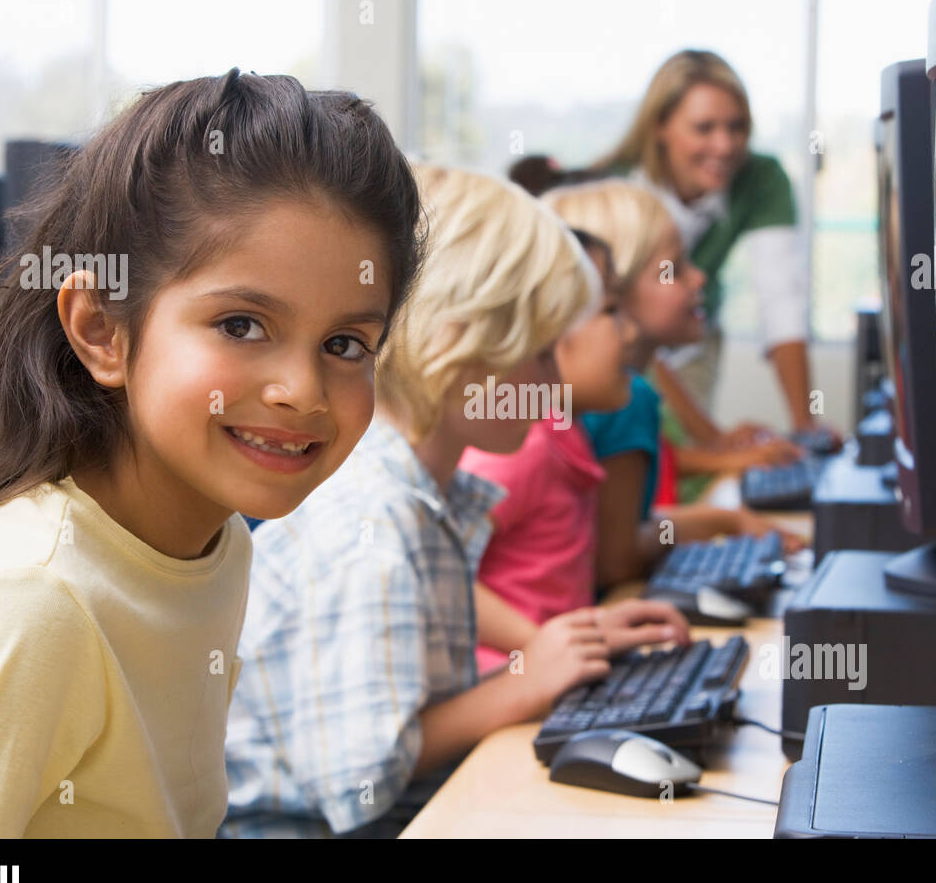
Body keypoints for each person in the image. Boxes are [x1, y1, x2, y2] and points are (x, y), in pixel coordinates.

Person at [0, 70, 424, 837]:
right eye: (241, 324)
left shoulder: (215, 542)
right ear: (102, 330)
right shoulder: (34, 599)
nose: (303, 388)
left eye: (344, 343)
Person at [219, 166, 683, 838]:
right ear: (456, 345)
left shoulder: (423, 494)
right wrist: (523, 684)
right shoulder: (369, 524)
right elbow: (361, 781)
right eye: (541, 354)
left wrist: (568, 648)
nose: (553, 383)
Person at [544, 179, 806, 591]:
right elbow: (618, 558)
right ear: (613, 287)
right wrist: (723, 521)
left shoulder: (616, 386)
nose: (699, 278)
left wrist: (727, 520)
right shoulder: (625, 399)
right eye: (674, 268)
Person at [459, 230, 689, 672]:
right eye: (610, 313)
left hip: (551, 675)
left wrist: (591, 631)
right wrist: (542, 644)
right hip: (506, 683)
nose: (629, 332)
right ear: (548, 335)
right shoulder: (523, 446)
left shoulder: (568, 434)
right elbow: (443, 573)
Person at [597, 49, 834, 446]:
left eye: (737, 127)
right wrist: (716, 442)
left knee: (676, 463)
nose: (724, 145)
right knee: (643, 447)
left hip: (690, 338)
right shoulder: (615, 194)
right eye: (704, 128)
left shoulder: (760, 179)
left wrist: (804, 428)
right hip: (626, 349)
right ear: (660, 126)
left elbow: (782, 304)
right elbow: (628, 330)